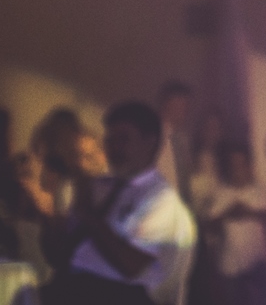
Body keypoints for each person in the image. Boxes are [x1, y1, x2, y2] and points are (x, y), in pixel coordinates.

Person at [46, 100, 197, 305]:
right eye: (110, 140)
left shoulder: (162, 202)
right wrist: (52, 221)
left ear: (149, 143)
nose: (114, 148)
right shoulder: (100, 187)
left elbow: (131, 267)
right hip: (71, 288)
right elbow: (62, 252)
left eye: (124, 139)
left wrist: (90, 217)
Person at [198, 142, 266, 305]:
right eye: (232, 165)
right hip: (229, 267)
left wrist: (251, 212)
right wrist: (228, 213)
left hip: (257, 263)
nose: (236, 170)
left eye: (241, 165)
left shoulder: (259, 192)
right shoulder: (221, 194)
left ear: (249, 166)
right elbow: (208, 228)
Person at [157, 82, 196, 205]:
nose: (185, 110)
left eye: (186, 105)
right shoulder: (152, 137)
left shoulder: (183, 140)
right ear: (166, 104)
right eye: (180, 104)